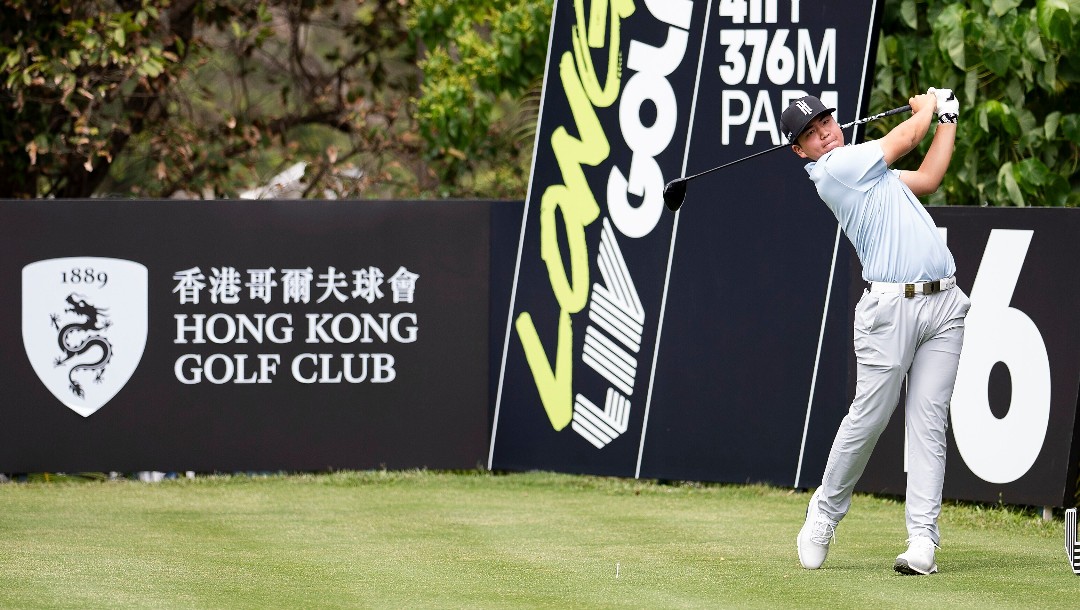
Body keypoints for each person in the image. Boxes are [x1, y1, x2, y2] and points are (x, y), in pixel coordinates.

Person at [781, 90, 970, 575]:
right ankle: (824, 512)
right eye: (810, 133)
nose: (823, 132)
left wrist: (945, 115)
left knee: (928, 423)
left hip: (944, 303)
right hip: (890, 311)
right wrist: (926, 106)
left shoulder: (868, 168)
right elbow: (907, 137)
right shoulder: (835, 168)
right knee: (871, 417)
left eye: (825, 121)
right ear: (801, 150)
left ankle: (923, 541)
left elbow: (928, 178)